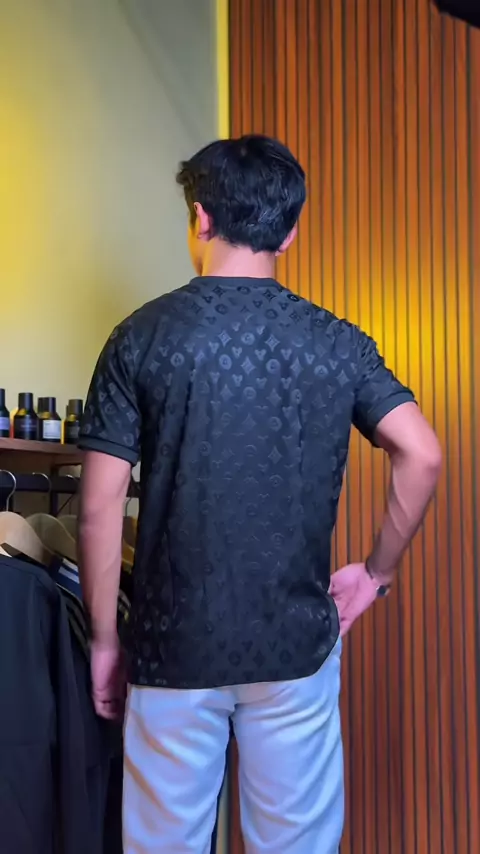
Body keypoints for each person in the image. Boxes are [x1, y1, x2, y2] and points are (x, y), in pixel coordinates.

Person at [78, 135, 442, 854]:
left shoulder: (140, 337)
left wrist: (104, 640)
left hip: (173, 647)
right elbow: (423, 453)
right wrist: (377, 573)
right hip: (294, 647)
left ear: (201, 217)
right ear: (291, 230)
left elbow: (96, 508)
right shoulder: (337, 341)